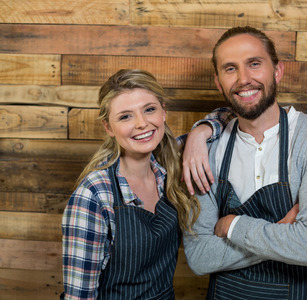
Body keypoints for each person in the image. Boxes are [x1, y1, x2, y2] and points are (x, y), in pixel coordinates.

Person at [182, 26, 307, 299]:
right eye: (230, 69)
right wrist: (285, 235)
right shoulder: (205, 153)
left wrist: (233, 226)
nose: (244, 79)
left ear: (277, 71)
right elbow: (201, 257)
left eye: (254, 64)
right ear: (218, 82)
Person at [61, 69, 221, 299]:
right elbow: (79, 296)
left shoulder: (169, 166)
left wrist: (198, 134)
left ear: (163, 112)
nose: (142, 123)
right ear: (108, 127)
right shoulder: (94, 195)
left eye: (149, 109)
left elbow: (227, 114)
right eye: (125, 116)